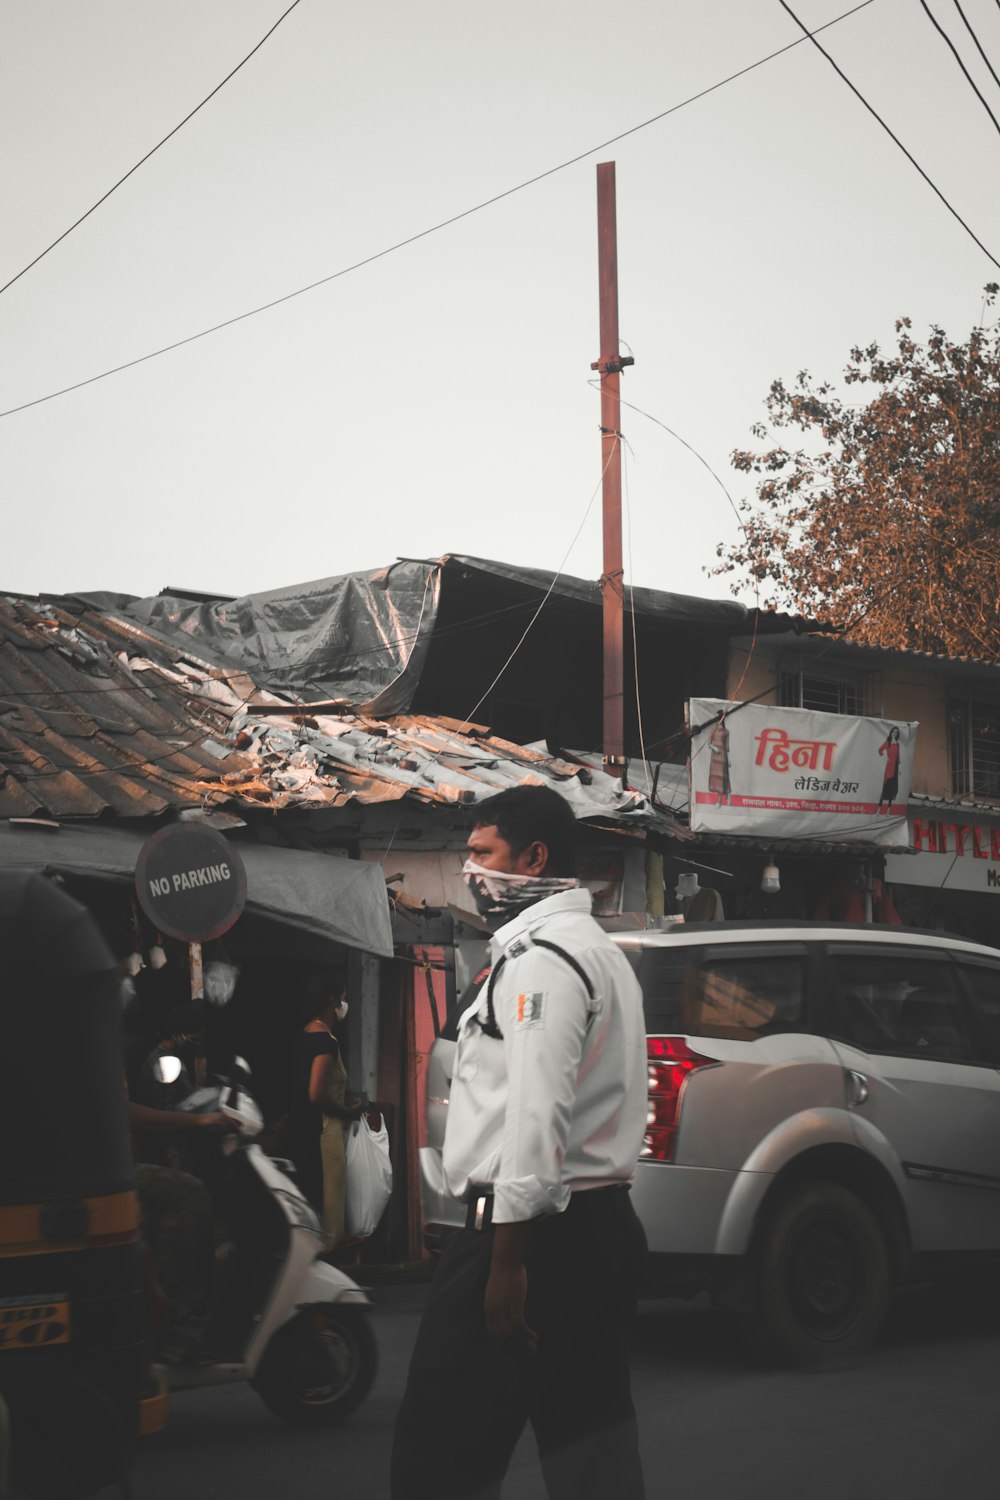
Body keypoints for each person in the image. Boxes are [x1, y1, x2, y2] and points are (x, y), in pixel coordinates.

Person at [391, 785, 648, 1500]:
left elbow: (537, 1115)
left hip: (528, 1240)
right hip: (597, 1229)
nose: (469, 869)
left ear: (533, 859)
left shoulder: (543, 961)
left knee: (439, 1456)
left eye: (482, 852)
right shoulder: (599, 953)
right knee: (589, 1447)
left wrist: (507, 1265)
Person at [280, 968, 362, 1246]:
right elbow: (316, 1093)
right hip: (322, 1131)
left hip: (300, 1128)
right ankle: (328, 1257)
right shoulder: (325, 1042)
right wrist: (348, 1111)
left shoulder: (305, 1034)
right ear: (332, 1001)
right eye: (343, 998)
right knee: (328, 1197)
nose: (345, 1004)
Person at [877, 726, 902, 813]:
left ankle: (888, 810)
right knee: (885, 787)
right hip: (889, 767)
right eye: (894, 731)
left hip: (895, 768)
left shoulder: (897, 744)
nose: (895, 733)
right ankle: (879, 809)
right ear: (891, 732)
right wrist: (885, 757)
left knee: (892, 789)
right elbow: (880, 750)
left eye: (896, 732)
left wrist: (898, 769)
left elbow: (898, 757)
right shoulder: (888, 742)